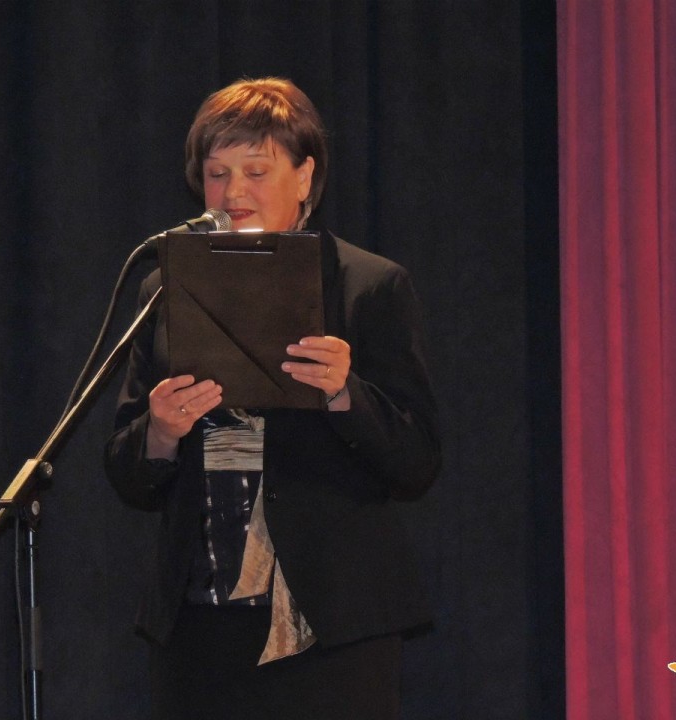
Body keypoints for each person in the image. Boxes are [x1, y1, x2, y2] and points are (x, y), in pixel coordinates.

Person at [104, 77, 440, 720]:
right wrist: (161, 433)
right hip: (198, 626)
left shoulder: (368, 286)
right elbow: (127, 474)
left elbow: (418, 461)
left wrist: (345, 394)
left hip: (331, 627)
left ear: (305, 177)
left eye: (256, 171)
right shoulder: (162, 290)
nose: (233, 193)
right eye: (217, 173)